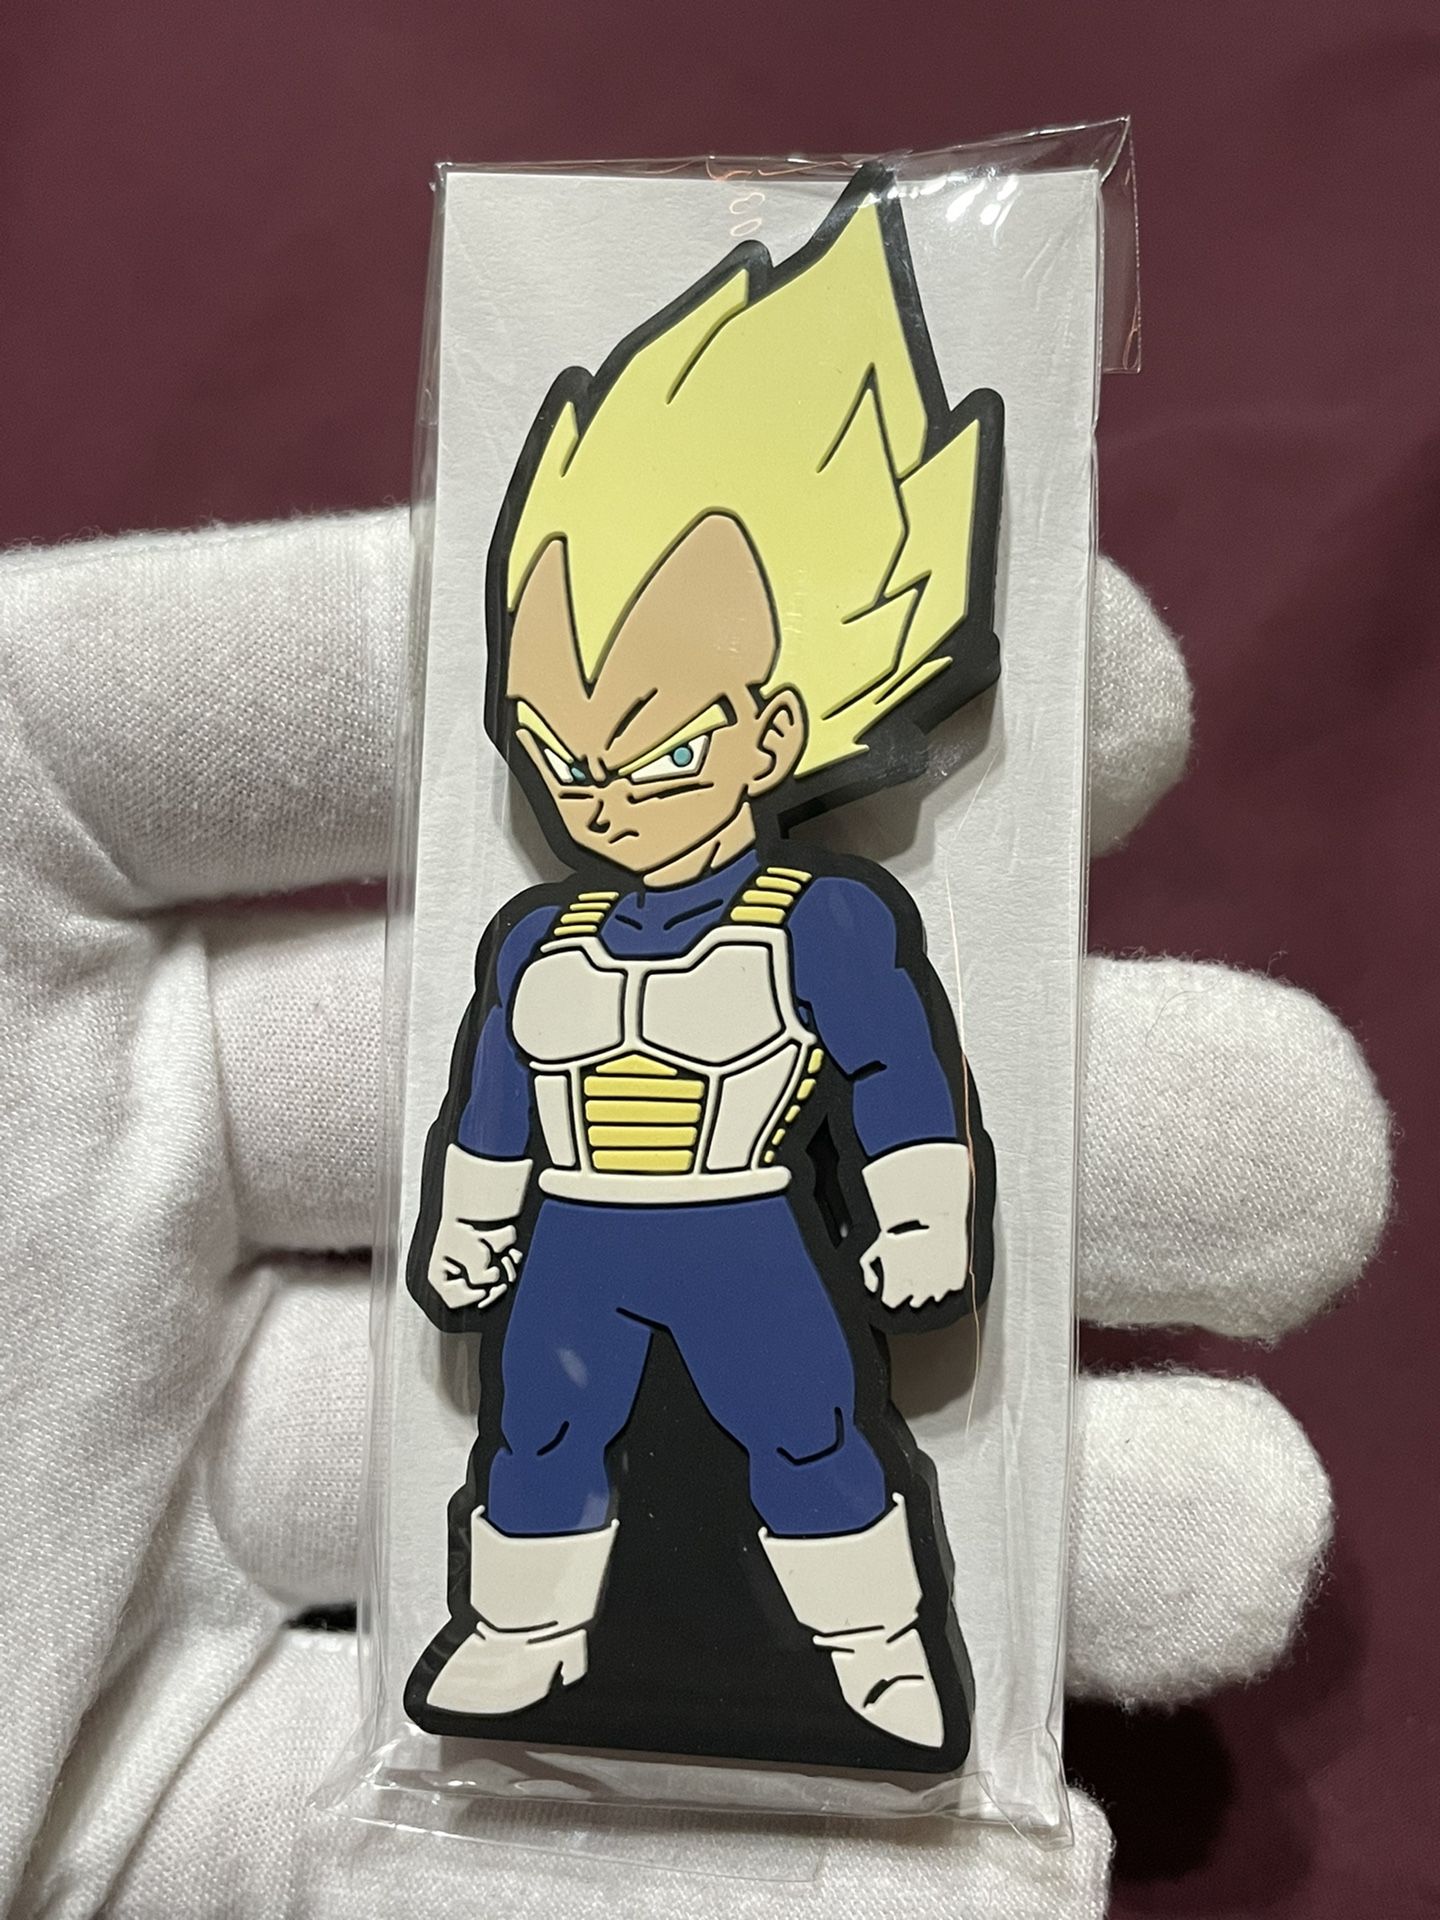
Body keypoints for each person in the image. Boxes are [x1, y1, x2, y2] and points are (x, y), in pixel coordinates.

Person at [409, 175, 1003, 1749]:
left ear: (769, 733)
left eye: (655, 753)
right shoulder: (538, 935)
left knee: (808, 1430)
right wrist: (471, 1226)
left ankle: (876, 1647)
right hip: (579, 1234)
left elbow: (892, 1069)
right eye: (561, 757)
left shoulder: (819, 917)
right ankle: (521, 1632)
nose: (601, 799)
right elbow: (495, 1102)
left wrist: (921, 1212)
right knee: (542, 1432)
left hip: (745, 1228)